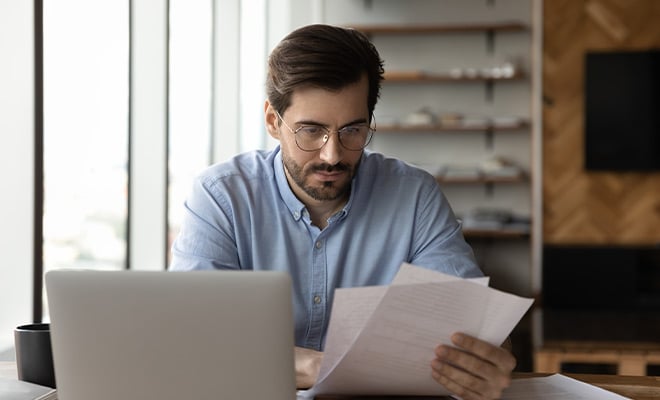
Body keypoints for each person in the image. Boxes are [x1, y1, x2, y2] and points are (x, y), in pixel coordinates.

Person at [169, 23, 516, 399]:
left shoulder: (414, 196)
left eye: (352, 130)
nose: (332, 154)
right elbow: (191, 342)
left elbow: (474, 332)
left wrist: (484, 363)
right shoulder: (221, 197)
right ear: (273, 121)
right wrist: (318, 366)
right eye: (311, 131)